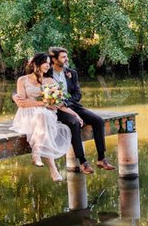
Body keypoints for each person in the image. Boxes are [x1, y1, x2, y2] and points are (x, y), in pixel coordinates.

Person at [47, 46, 114, 174]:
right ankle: (83, 162)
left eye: (66, 56)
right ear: (54, 59)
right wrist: (15, 96)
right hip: (57, 110)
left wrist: (66, 102)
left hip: (72, 106)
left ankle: (101, 159)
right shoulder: (46, 73)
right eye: (63, 57)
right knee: (75, 123)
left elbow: (78, 95)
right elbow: (29, 83)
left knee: (98, 120)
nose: (67, 59)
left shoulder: (72, 73)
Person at [11, 53, 75, 181]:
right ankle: (53, 169)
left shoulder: (50, 81)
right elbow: (22, 103)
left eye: (49, 63)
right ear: (36, 64)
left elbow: (56, 103)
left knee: (43, 116)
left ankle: (37, 153)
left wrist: (73, 113)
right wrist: (44, 103)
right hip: (27, 114)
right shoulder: (22, 80)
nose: (48, 65)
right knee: (43, 116)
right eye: (45, 62)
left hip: (46, 114)